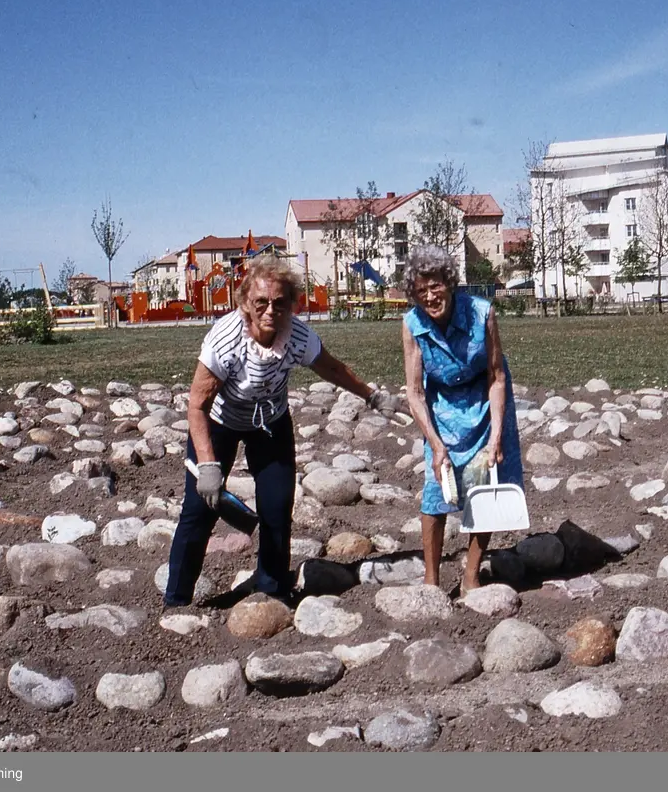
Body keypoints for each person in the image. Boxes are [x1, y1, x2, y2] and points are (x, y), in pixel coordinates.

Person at [164, 255, 401, 608]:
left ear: (291, 304)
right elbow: (197, 404)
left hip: (269, 422)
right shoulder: (225, 340)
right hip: (219, 422)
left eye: (279, 302)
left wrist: (372, 396)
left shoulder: (297, 336)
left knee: (276, 507)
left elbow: (332, 369)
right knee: (200, 509)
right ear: (245, 302)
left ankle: (272, 588)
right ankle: (177, 600)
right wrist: (209, 466)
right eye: (261, 302)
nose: (270, 310)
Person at [400, 243, 524, 593]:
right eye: (421, 291)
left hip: (485, 402)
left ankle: (471, 575)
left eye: (435, 286)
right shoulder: (412, 325)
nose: (430, 296)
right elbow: (414, 392)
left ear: (449, 282)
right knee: (435, 492)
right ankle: (432, 581)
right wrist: (435, 444)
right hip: (441, 409)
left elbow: (496, 376)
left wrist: (496, 436)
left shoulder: (482, 313)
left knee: (485, 484)